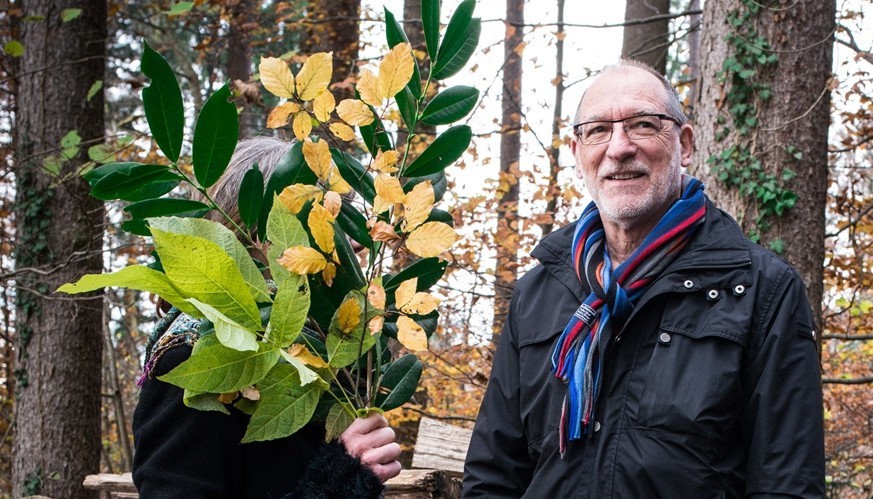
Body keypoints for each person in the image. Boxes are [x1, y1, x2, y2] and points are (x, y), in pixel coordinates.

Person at [462, 59, 825, 498]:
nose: (619, 147)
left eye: (643, 124)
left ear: (684, 145)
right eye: (598, 130)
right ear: (577, 154)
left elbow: (786, 485)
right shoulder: (537, 293)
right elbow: (493, 476)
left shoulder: (762, 290)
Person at [132, 136, 402, 498]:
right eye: (327, 222)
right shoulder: (195, 361)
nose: (354, 242)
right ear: (261, 236)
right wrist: (339, 480)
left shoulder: (314, 350)